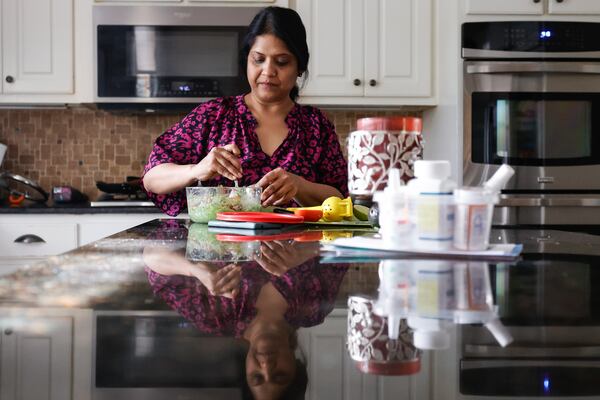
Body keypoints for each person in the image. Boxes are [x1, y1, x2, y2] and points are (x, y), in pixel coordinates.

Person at [142, 6, 348, 216]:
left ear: (300, 67)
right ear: (246, 61)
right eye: (258, 59)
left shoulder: (315, 125)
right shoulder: (213, 116)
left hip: (298, 248)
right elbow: (152, 178)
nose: (268, 71)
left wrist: (301, 186)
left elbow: (341, 198)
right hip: (221, 247)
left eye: (282, 62)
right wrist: (197, 169)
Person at [142, 232, 348, 399]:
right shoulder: (313, 308)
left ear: (245, 370)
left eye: (257, 377)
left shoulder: (215, 318)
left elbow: (151, 254)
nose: (266, 366)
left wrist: (197, 271)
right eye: (280, 376)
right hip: (291, 194)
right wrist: (310, 248)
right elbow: (348, 242)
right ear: (296, 369)